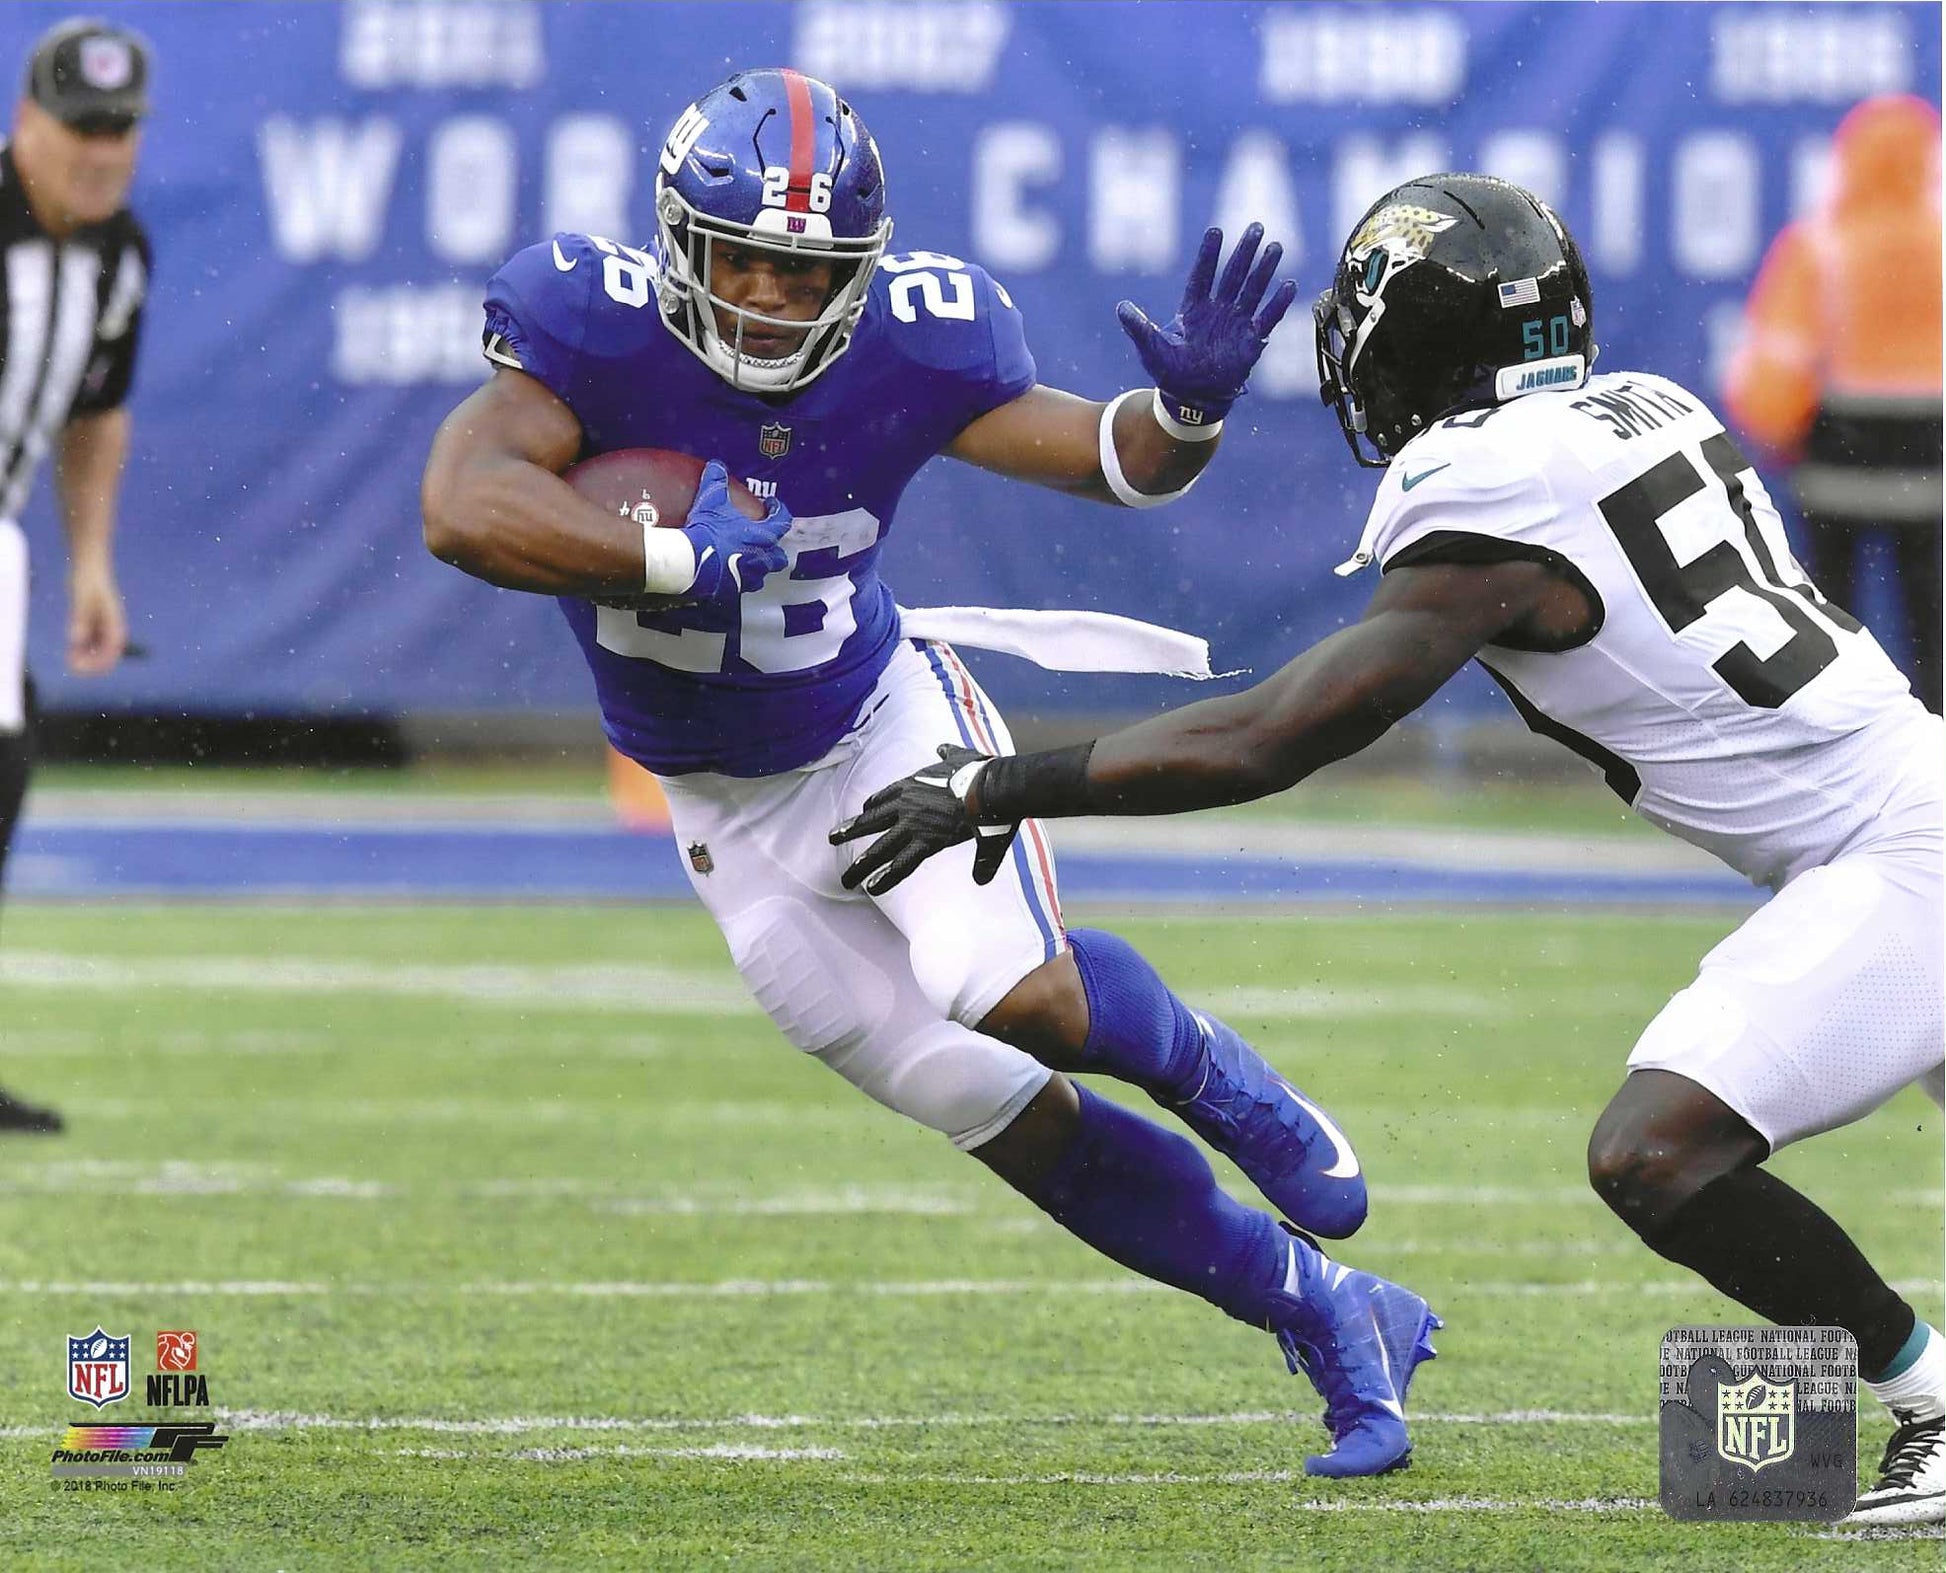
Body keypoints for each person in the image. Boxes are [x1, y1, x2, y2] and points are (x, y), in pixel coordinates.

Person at [837, 173, 1946, 1526]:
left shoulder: (1491, 480)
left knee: (1653, 1153)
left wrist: (1005, 783)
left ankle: (1930, 1407)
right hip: (1896, 818)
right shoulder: (1644, 404)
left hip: (1894, 853)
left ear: (1416, 339)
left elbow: (1276, 734)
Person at [421, 69, 1438, 1479]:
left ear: (861, 272)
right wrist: (670, 557)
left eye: (806, 271)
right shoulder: (585, 332)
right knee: (989, 1107)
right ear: (678, 243)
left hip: (880, 724)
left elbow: (1109, 460)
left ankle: (1218, 1077)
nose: (773, 299)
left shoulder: (912, 342)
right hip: (719, 813)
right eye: (747, 262)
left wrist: (1186, 414)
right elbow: (462, 506)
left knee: (1002, 989)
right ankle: (1332, 1314)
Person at [0, 18, 151, 1134]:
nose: (100, 150)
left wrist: (90, 562)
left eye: (120, 130)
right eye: (81, 126)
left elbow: (95, 415)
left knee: (9, 757)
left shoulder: (118, 253)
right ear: (26, 121)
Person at [1725, 94, 1942, 713]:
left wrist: (1780, 432)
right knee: (1932, 622)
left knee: (1831, 621)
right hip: (1930, 472)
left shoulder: (1822, 245)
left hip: (1837, 464)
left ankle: (1837, 732)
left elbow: (1775, 372)